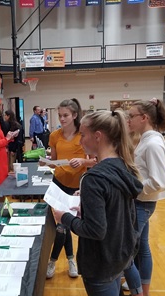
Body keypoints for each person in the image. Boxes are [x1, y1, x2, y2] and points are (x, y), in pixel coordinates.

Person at [84, 98, 165, 296]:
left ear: (145, 117)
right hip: (139, 201)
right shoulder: (146, 140)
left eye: (132, 115)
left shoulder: (153, 142)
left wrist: (128, 190)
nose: (129, 120)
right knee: (137, 250)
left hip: (141, 202)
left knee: (124, 257)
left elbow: (157, 181)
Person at [53, 110, 143, 296]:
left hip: (102, 261)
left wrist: (65, 218)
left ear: (99, 137)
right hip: (120, 254)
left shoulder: (94, 178)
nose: (80, 141)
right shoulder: (122, 166)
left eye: (83, 135)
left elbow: (94, 229)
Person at [46, 98, 97, 279]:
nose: (62, 119)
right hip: (58, 184)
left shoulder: (83, 135)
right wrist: (46, 162)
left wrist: (83, 161)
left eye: (65, 115)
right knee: (62, 225)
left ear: (75, 115)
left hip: (77, 187)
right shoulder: (54, 136)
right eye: (59, 115)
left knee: (64, 225)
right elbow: (53, 161)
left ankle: (54, 260)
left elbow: (95, 160)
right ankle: (69, 260)